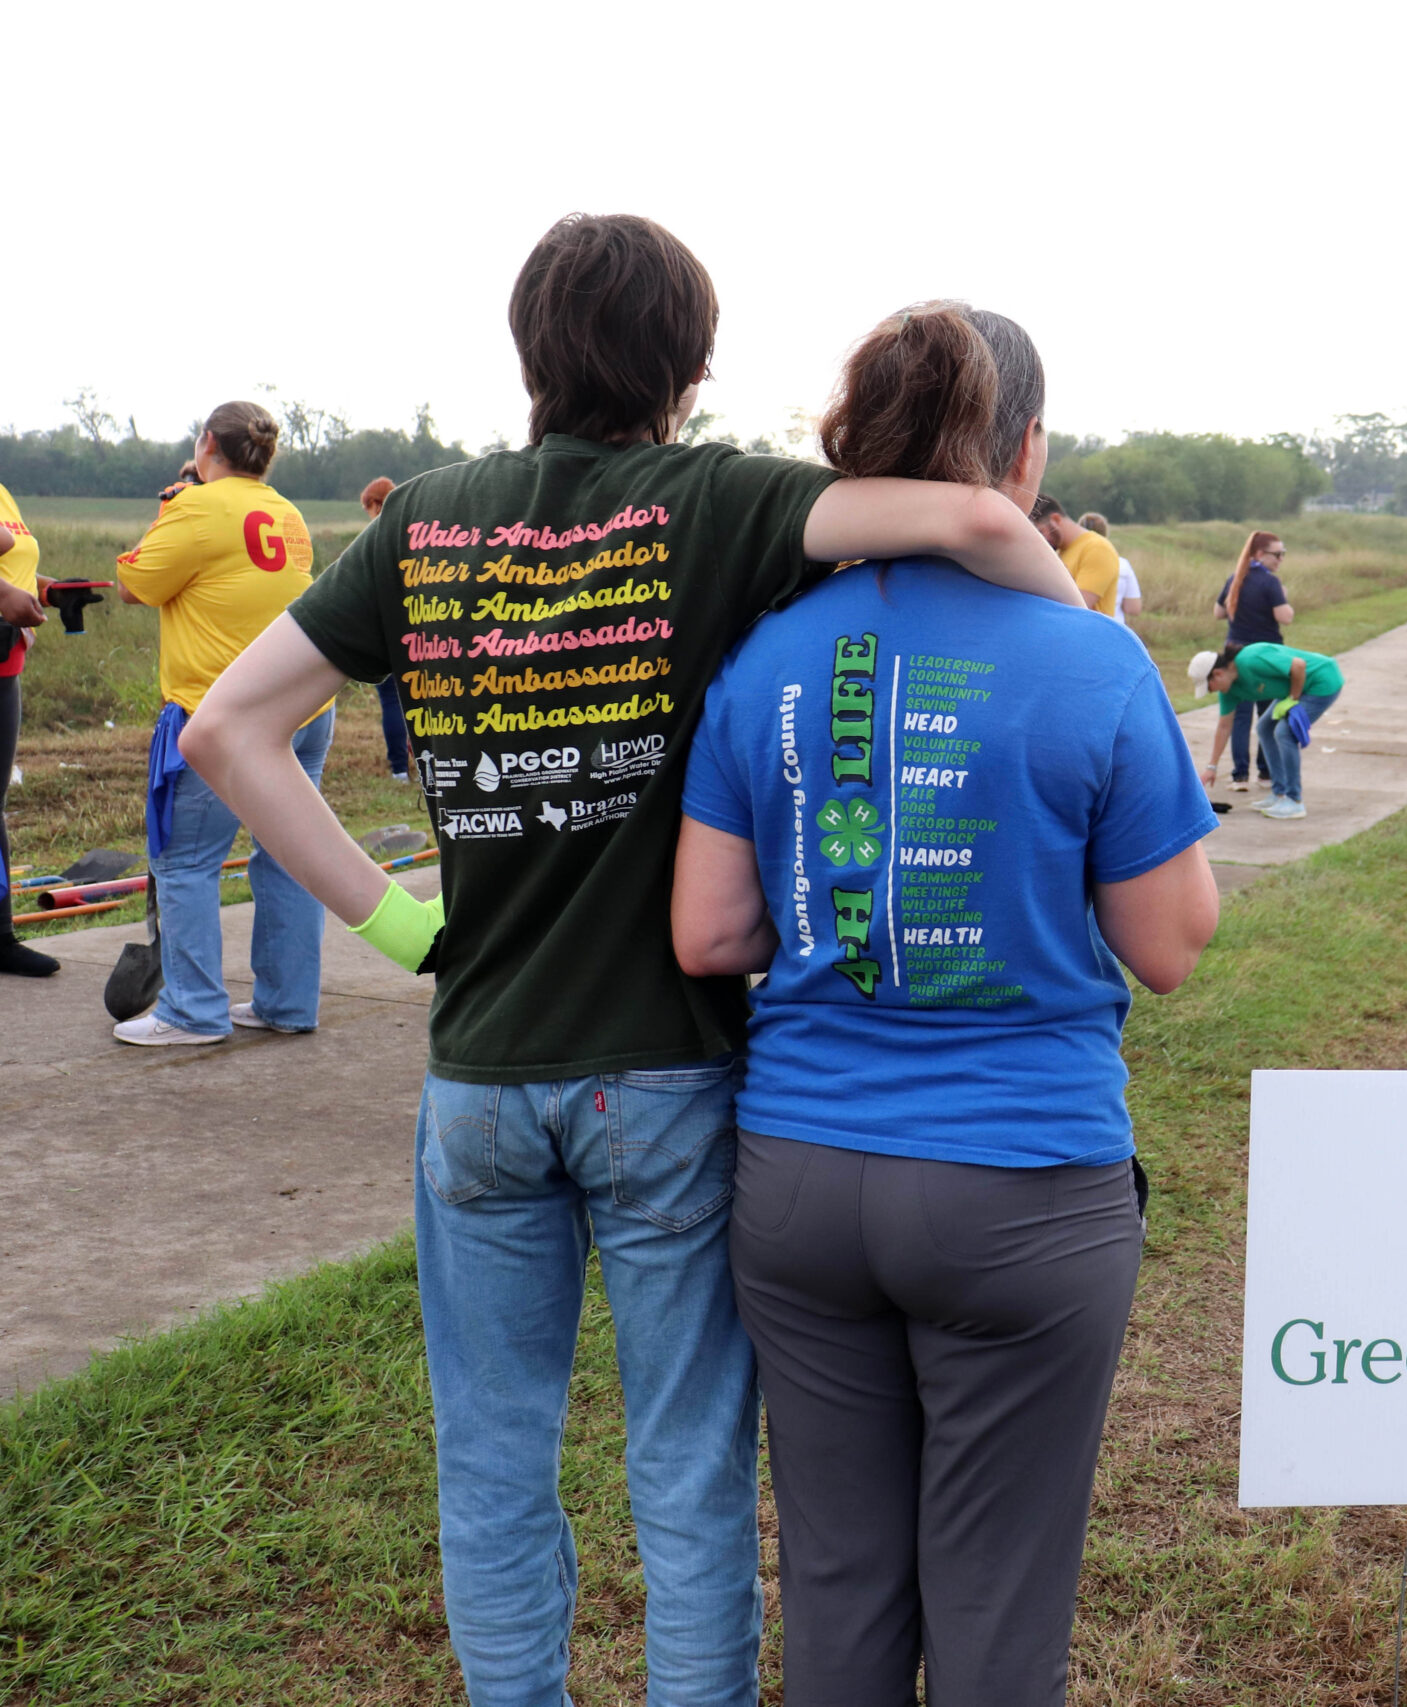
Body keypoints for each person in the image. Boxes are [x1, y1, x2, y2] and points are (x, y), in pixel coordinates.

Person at [180, 214, 1081, 1706]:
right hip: (665, 1068)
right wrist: (1086, 662)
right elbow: (982, 525)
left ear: (527, 349)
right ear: (696, 364)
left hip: (477, 1077)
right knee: (685, 1461)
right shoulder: (717, 500)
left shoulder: (428, 521)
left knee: (490, 1458)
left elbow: (228, 729)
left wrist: (403, 924)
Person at [670, 300, 1220, 1705]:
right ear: (1024, 451)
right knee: (996, 1607)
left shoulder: (766, 656)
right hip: (1023, 1190)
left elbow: (710, 928)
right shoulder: (1096, 660)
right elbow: (1167, 943)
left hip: (800, 1183)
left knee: (841, 1588)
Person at [111, 403, 334, 1044]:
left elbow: (135, 584)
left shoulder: (192, 507)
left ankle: (192, 1011)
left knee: (183, 860)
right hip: (306, 706)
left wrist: (170, 509)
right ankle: (287, 1003)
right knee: (288, 856)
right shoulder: (287, 513)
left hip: (224, 714)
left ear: (207, 443)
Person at [0, 480, 57, 977]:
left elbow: (13, 555)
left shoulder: (4, 491)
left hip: (5, 661)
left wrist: (47, 589)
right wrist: (3, 598)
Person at [1186, 639, 1340, 820]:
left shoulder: (1251, 659)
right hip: (1295, 688)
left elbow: (1298, 666)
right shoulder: (1229, 691)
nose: (1212, 692)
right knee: (1264, 728)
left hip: (1321, 680)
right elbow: (1224, 726)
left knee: (1284, 732)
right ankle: (1279, 793)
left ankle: (1294, 801)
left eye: (1209, 687)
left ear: (1218, 674)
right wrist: (1211, 767)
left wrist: (1292, 699)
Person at [1210, 530, 1292, 791]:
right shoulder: (1270, 583)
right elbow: (1285, 617)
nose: (1280, 559)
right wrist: (1284, 598)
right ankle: (1265, 774)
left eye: (1283, 554)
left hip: (1235, 653)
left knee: (1239, 715)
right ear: (1259, 554)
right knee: (1268, 715)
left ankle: (1239, 775)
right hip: (1266, 658)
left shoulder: (1236, 579)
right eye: (1277, 554)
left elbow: (1218, 612)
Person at [356, 476, 408, 778]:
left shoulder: (373, 539)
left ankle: (399, 769)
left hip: (386, 629)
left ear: (375, 504)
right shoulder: (410, 532)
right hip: (417, 630)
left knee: (390, 699)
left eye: (367, 507)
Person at [1030, 492, 1119, 612]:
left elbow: (1080, 608)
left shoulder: (1097, 548)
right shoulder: (1061, 551)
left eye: (1041, 531)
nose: (1040, 539)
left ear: (1055, 519)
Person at [1078, 509, 1142, 624]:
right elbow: (1133, 608)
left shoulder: (1071, 562)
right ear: (1105, 532)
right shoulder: (1123, 564)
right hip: (1113, 628)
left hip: (1081, 625)